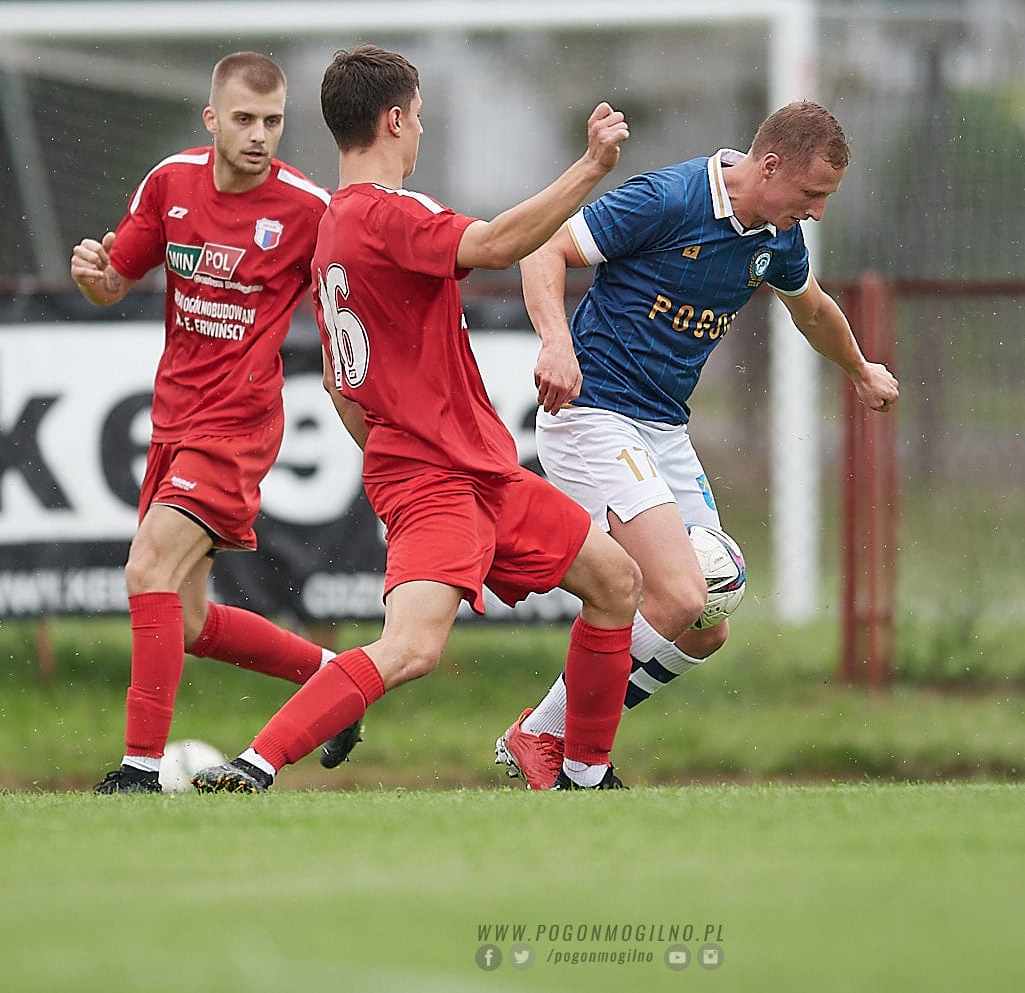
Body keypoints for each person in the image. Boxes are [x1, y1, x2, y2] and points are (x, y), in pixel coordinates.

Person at [190, 44, 640, 794]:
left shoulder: (331, 230)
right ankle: (253, 764)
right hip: (438, 477)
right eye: (421, 117)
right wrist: (591, 167)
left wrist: (393, 445)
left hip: (476, 469)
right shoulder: (388, 212)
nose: (423, 131)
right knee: (410, 648)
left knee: (615, 581)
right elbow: (496, 245)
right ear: (395, 121)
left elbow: (338, 381)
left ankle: (586, 777)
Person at [495, 100, 899, 789]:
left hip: (663, 428)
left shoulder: (776, 236)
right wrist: (557, 343)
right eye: (812, 193)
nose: (818, 211)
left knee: (707, 625)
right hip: (594, 414)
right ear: (769, 166)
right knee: (679, 596)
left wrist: (859, 369)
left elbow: (813, 309)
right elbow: (545, 250)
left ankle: (550, 731)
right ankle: (567, 752)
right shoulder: (670, 198)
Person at [70, 51, 363, 794]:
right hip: (172, 420)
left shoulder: (308, 209)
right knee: (191, 620)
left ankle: (138, 772)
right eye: (244, 119)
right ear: (212, 120)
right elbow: (115, 281)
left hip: (238, 425)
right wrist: (95, 279)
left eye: (272, 121)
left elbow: (359, 287)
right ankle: (333, 678)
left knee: (147, 569)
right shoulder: (170, 181)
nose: (260, 135)